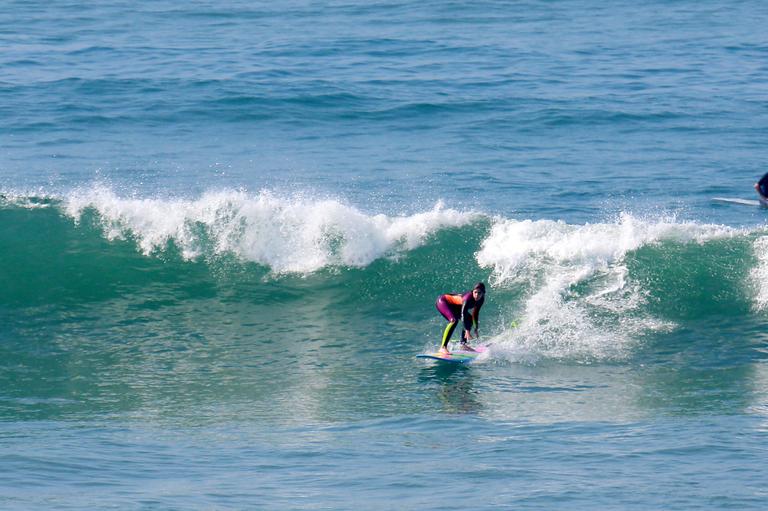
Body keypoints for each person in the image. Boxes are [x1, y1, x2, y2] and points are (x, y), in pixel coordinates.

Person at [435, 282, 486, 354]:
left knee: (470, 319)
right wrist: (467, 330)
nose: (477, 295)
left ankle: (463, 345)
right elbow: (463, 314)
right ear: (472, 291)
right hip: (443, 302)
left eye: (479, 293)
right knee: (453, 321)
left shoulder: (481, 300)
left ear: (483, 293)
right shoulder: (468, 298)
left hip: (455, 306)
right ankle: (443, 347)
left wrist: (475, 328)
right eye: (475, 292)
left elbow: (475, 314)